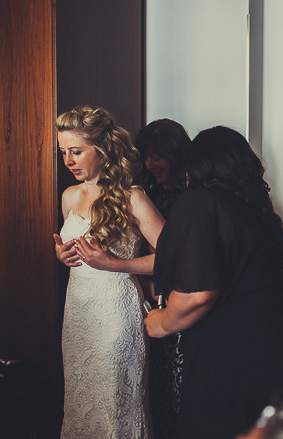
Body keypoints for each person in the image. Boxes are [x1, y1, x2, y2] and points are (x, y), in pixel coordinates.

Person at [144, 126, 283, 438]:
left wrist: (161, 323)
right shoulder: (256, 208)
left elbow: (197, 294)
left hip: (236, 350)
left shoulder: (198, 201)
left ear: (196, 166)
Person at [53, 105, 165, 438]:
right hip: (77, 313)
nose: (68, 160)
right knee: (80, 400)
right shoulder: (70, 196)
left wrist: (114, 264)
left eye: (76, 151)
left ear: (102, 150)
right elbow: (81, 251)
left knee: (114, 402)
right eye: (63, 152)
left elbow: (174, 257)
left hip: (116, 314)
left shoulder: (133, 198)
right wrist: (65, 255)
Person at [134, 118, 191, 439]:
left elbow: (182, 257)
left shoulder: (192, 197)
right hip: (146, 299)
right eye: (145, 156)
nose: (150, 163)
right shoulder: (146, 193)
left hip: (181, 299)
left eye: (158, 155)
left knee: (179, 382)